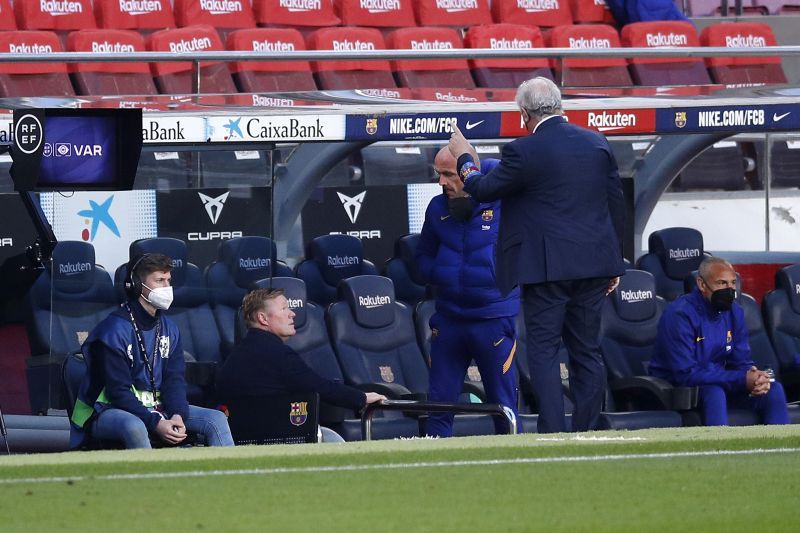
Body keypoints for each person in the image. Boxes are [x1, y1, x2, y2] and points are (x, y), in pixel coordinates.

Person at [448, 77, 625, 433]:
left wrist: (465, 156)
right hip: (595, 266)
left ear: (524, 114)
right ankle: (587, 431)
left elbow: (481, 188)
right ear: (560, 105)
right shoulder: (597, 142)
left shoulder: (523, 151)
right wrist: (615, 262)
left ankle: (553, 432)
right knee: (587, 351)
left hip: (548, 271)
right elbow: (615, 203)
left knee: (544, 350)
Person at [70, 253, 234, 449]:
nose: (167, 288)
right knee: (134, 426)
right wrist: (156, 423)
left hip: (157, 409)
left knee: (215, 418)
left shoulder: (170, 329)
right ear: (137, 285)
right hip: (105, 411)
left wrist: (177, 415)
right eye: (159, 280)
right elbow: (118, 392)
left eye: (168, 280)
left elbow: (175, 380)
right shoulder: (113, 331)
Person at [415, 147, 520, 437]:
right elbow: (422, 257)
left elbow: (506, 169)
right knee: (439, 405)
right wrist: (441, 273)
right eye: (438, 174)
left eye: (448, 174)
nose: (441, 182)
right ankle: (432, 476)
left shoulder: (505, 203)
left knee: (504, 405)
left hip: (493, 319)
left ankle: (519, 468)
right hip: (449, 320)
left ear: (466, 171)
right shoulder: (437, 208)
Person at [215, 288, 386, 442]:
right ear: (263, 318)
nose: (292, 314)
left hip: (242, 437)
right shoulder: (278, 355)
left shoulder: (239, 352)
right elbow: (320, 387)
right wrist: (362, 398)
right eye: (284, 308)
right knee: (334, 440)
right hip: (275, 438)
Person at [649, 256, 789, 426]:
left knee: (773, 390)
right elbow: (684, 374)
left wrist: (756, 379)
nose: (729, 289)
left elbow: (741, 362)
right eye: (722, 283)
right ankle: (719, 449)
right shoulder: (679, 314)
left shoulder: (735, 312)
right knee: (714, 392)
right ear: (702, 284)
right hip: (681, 391)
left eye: (732, 283)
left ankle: (779, 450)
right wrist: (741, 378)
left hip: (722, 385)